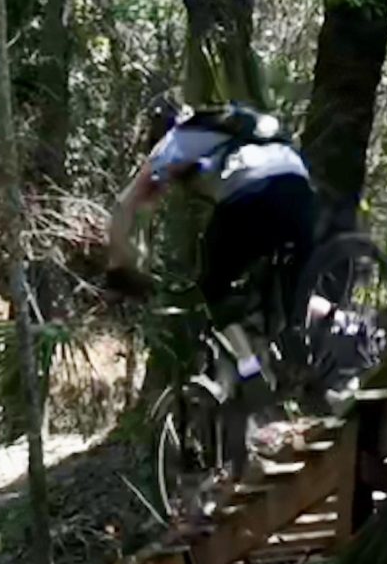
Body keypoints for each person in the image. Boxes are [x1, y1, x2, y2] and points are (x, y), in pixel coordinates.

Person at [106, 102, 318, 397]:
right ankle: (315, 348)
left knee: (213, 286)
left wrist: (120, 267)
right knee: (290, 294)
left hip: (250, 194)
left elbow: (126, 204)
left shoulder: (175, 139)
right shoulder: (230, 122)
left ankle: (250, 369)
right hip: (300, 189)